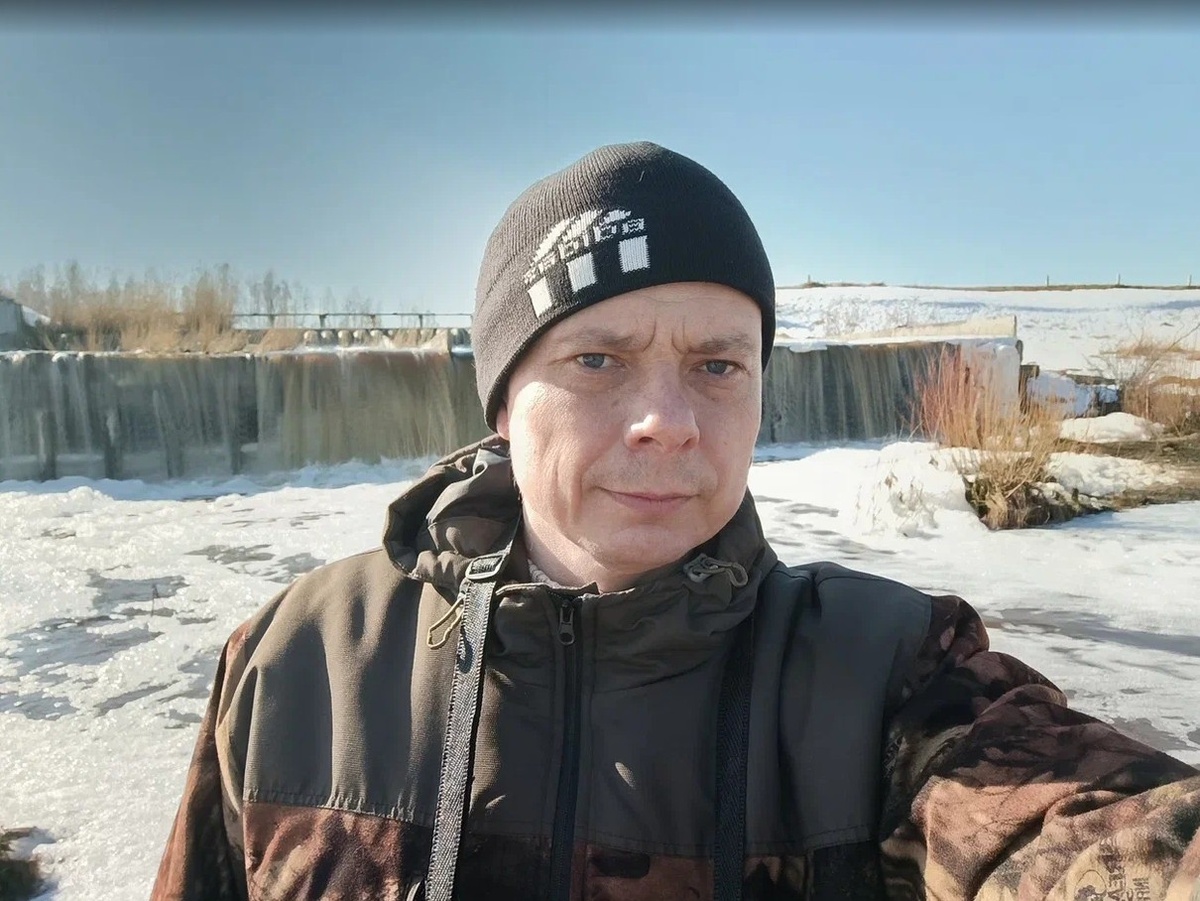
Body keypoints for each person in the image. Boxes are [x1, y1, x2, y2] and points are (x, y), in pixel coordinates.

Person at [150, 142, 1200, 901]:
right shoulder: (301, 663)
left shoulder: (895, 675)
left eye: (717, 365)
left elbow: (1085, 825)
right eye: (597, 358)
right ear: (504, 403)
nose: (669, 420)